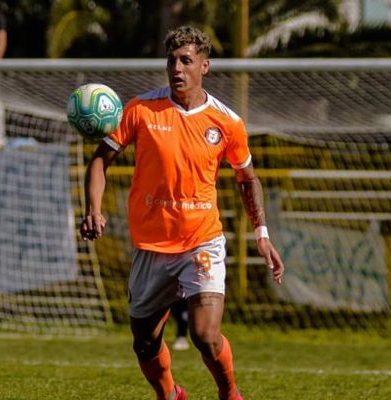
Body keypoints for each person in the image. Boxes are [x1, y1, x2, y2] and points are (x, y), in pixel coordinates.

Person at [79, 26, 285, 400]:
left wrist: (262, 234)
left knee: (205, 335)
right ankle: (170, 395)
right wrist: (93, 208)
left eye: (186, 61)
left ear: (204, 66)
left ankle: (230, 393)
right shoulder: (140, 109)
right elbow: (99, 161)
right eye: (171, 60)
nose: (177, 68)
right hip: (152, 246)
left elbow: (247, 179)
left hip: (201, 241)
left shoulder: (227, 122)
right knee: (144, 341)